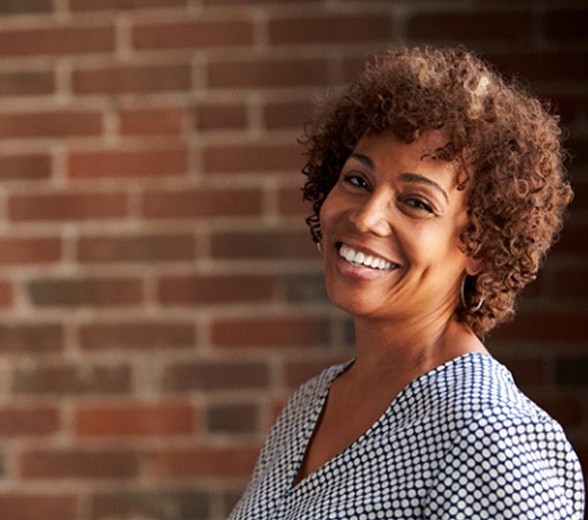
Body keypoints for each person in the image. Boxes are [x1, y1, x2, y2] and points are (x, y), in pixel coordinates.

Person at [229, 45, 585, 519]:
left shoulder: (486, 433)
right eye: (357, 180)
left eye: (417, 203)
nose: (367, 217)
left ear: (480, 245)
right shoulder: (310, 405)